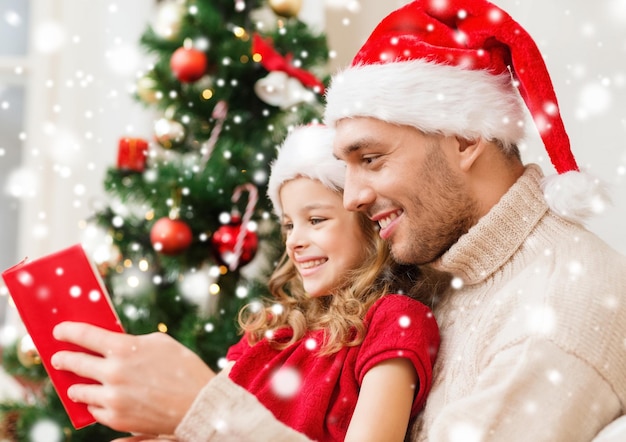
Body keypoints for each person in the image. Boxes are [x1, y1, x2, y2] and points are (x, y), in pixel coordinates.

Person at [51, 1, 626, 440]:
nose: (350, 196)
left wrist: (206, 413)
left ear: (466, 137)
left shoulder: (559, 310)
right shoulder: (433, 269)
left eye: (370, 158)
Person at [51, 125, 442, 441]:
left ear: (370, 227)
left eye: (316, 220)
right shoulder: (272, 334)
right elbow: (204, 422)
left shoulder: (396, 320)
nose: (295, 240)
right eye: (289, 225)